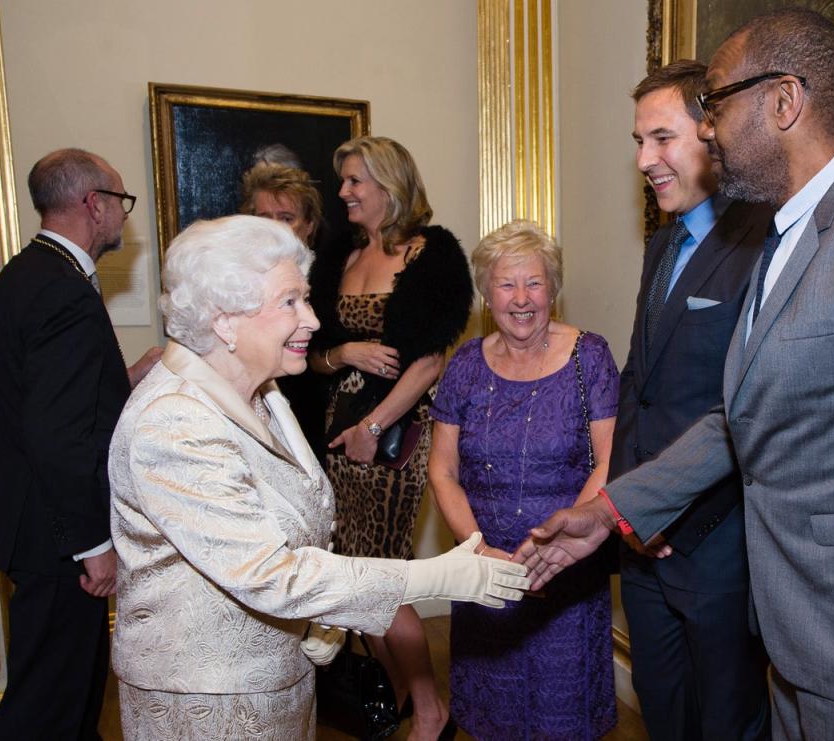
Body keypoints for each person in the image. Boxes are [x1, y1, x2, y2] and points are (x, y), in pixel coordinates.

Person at [515, 8, 834, 739]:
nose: (708, 128)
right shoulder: (785, 234)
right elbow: (740, 413)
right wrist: (608, 511)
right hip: (793, 644)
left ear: (783, 102)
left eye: (716, 102)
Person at [107, 215, 528, 740]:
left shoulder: (261, 392)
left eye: (306, 299)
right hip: (206, 700)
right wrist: (443, 576)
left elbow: (296, 518)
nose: (311, 319)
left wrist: (319, 619)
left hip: (277, 681)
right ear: (224, 320)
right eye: (290, 302)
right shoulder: (174, 422)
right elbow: (271, 574)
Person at [615, 60, 770, 740]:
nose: (645, 160)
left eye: (661, 138)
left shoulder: (766, 241)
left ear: (713, 132)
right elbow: (638, 385)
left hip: (715, 547)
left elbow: (751, 412)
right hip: (641, 548)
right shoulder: (662, 242)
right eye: (638, 142)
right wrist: (627, 508)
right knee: (662, 710)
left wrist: (678, 521)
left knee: (728, 721)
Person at [428, 219, 619, 740]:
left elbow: (608, 461)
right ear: (486, 293)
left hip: (567, 569)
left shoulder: (590, 357)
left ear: (553, 289)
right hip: (483, 567)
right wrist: (478, 550)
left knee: (565, 714)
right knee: (491, 713)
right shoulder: (466, 364)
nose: (521, 298)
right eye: (506, 284)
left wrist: (559, 543)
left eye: (534, 283)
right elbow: (442, 469)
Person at [309, 136, 473, 739]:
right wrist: (342, 352)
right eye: (344, 181)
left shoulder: (431, 254)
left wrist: (371, 429)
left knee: (377, 576)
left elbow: (429, 360)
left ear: (389, 184)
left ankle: (431, 712)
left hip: (395, 433)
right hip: (338, 434)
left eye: (355, 181)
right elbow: (314, 353)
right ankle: (401, 694)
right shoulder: (341, 256)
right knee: (352, 575)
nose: (344, 192)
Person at [0, 148, 161, 740]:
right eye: (120, 201)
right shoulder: (63, 291)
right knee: (49, 704)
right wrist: (93, 544)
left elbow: (41, 400)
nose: (124, 215)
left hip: (32, 521)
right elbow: (59, 438)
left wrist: (127, 378)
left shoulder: (26, 274)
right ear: (94, 204)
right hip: (57, 533)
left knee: (69, 692)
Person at [241, 161, 329, 456]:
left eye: (286, 217)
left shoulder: (330, 277)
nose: (275, 228)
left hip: (316, 405)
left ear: (309, 226)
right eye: (265, 217)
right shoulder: (236, 280)